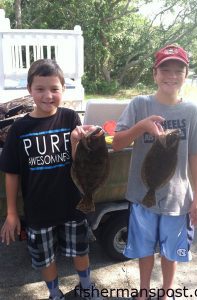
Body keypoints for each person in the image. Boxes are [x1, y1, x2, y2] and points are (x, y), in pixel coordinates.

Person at [112, 45, 197, 300]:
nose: (171, 75)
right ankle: (143, 293)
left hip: (177, 200)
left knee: (170, 252)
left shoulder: (192, 112)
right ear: (155, 74)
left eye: (178, 70)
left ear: (186, 75)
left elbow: (196, 157)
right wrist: (141, 126)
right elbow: (118, 142)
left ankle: (166, 293)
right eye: (165, 69)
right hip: (142, 194)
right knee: (144, 250)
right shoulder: (139, 105)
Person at [0, 59, 100, 300]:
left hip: (72, 204)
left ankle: (86, 287)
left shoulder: (69, 118)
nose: (48, 95)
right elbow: (12, 173)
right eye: (40, 89)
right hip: (38, 210)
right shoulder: (20, 129)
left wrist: (78, 141)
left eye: (55, 89)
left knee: (80, 250)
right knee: (45, 258)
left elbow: (80, 163)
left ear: (63, 90)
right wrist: (12, 213)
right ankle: (55, 294)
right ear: (29, 89)